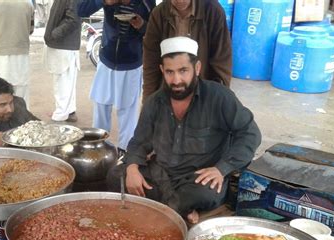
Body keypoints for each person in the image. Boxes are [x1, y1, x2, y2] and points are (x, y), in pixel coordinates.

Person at [107, 37, 261, 224]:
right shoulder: (154, 102)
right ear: (162, 71)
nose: (176, 80)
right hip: (160, 175)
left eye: (183, 71)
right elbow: (139, 141)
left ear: (196, 69)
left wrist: (222, 169)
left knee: (205, 193)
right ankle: (179, 210)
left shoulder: (219, 97)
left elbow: (250, 133)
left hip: (196, 179)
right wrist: (132, 169)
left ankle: (169, 206)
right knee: (116, 176)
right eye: (170, 72)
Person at [77, 0, 155, 155]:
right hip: (107, 60)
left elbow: (154, 31)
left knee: (127, 112)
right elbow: (81, 10)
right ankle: (98, 148)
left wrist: (142, 26)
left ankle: (125, 153)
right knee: (101, 106)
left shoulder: (146, 2)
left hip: (131, 64)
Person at [142, 0, 232, 102]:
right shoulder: (158, 14)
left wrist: (218, 101)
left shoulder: (213, 11)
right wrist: (147, 103)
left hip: (202, 95)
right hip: (169, 95)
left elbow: (222, 63)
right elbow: (151, 64)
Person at [0, 0, 34, 105]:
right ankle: (22, 116)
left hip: (2, 52)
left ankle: (4, 116)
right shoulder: (28, 3)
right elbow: (31, 29)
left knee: (2, 89)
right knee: (21, 87)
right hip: (21, 51)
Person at [44, 0, 81, 122]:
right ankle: (69, 111)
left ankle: (60, 115)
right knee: (67, 81)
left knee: (62, 82)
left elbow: (73, 19)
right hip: (65, 45)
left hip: (63, 45)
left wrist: (54, 34)